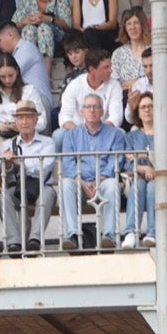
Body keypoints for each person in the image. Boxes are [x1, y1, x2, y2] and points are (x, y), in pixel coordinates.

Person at [58, 93, 125, 251]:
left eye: (96, 106)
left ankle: (109, 235)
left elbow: (116, 161)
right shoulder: (71, 135)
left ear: (102, 111)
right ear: (82, 111)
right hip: (79, 184)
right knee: (65, 183)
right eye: (88, 107)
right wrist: (82, 182)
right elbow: (68, 164)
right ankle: (72, 235)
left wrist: (99, 180)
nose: (92, 110)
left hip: (103, 181)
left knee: (113, 184)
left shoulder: (115, 134)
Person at [0, 100, 56, 255]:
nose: (24, 122)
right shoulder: (8, 144)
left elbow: (44, 167)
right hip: (19, 187)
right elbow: (3, 171)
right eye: (20, 118)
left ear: (36, 120)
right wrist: (9, 164)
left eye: (28, 117)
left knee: (48, 194)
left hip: (42, 185)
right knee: (4, 197)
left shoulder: (47, 142)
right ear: (16, 121)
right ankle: (14, 242)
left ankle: (34, 240)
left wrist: (19, 162)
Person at [122, 93, 160, 249]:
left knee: (152, 186)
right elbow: (126, 163)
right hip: (136, 178)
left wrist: (142, 157)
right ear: (137, 112)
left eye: (151, 106)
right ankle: (131, 232)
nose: (147, 110)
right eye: (143, 107)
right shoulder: (131, 136)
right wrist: (145, 167)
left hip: (161, 178)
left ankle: (153, 232)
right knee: (139, 185)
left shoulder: (166, 132)